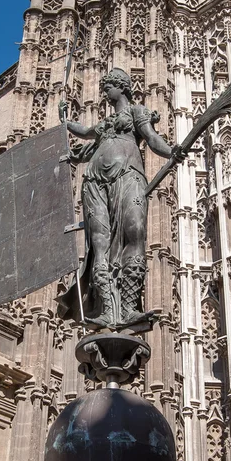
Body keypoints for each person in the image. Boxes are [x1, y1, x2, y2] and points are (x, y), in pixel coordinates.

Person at [56, 67, 185, 329]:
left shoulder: (137, 112)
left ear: (122, 87)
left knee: (134, 231)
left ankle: (128, 308)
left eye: (108, 87)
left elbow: (151, 138)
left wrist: (172, 151)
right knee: (99, 243)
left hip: (128, 176)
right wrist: (64, 119)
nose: (104, 93)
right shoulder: (104, 124)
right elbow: (85, 132)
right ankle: (106, 309)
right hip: (95, 182)